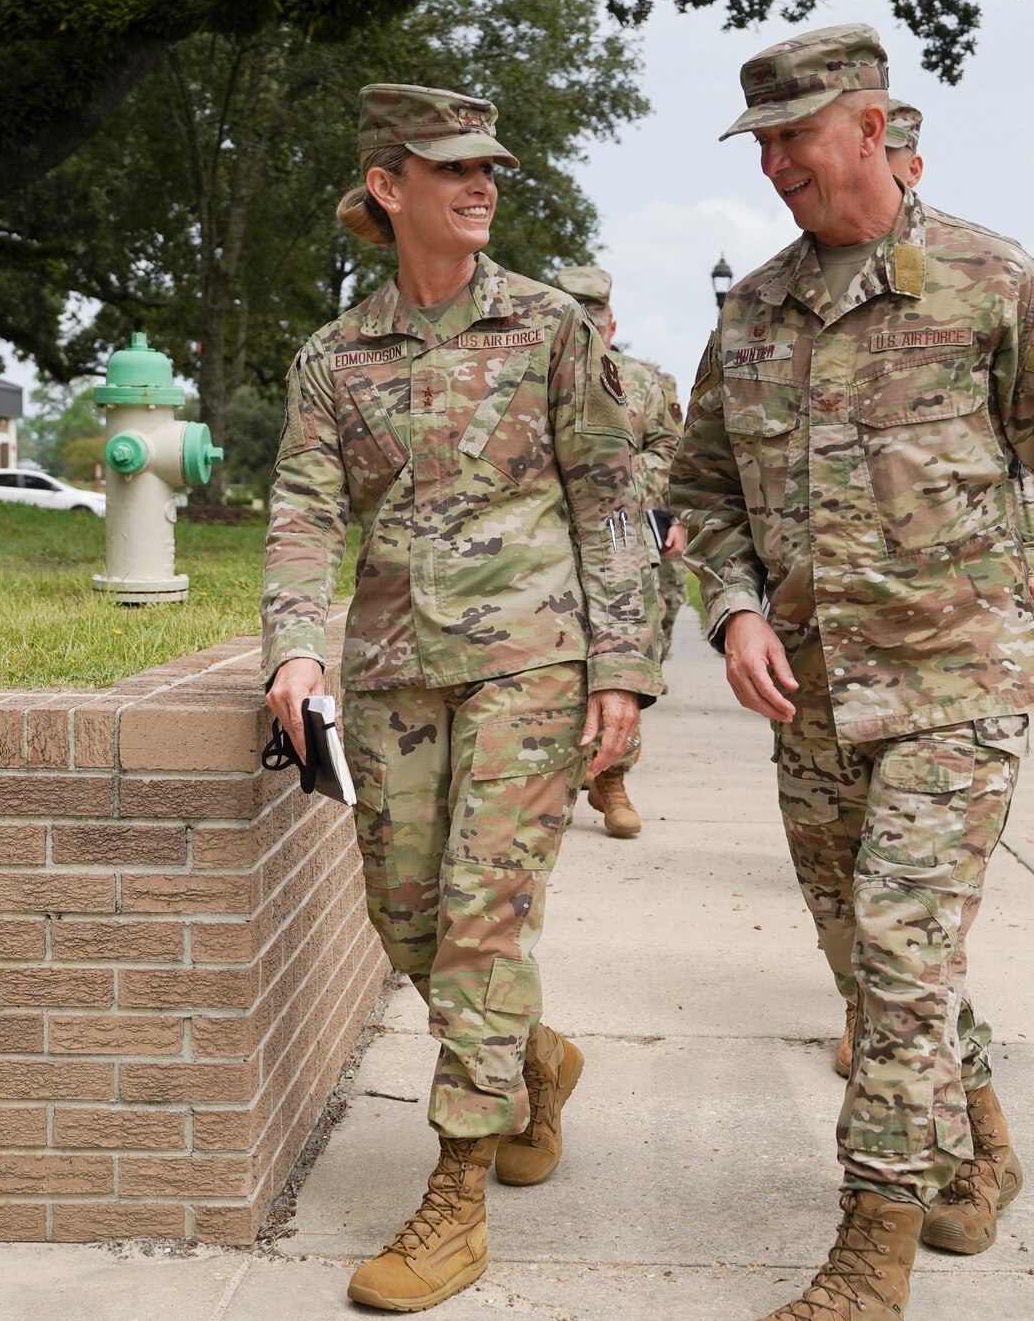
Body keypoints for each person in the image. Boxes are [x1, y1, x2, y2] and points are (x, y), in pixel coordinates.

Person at [670, 25, 1034, 1320]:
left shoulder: (994, 285)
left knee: (895, 950)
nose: (774, 163)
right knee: (875, 966)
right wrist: (731, 615)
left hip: (961, 689)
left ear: (876, 127)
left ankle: (867, 1256)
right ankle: (984, 1149)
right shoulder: (753, 312)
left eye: (795, 136)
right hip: (814, 701)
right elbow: (704, 498)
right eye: (760, 142)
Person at [261, 83, 659, 1313]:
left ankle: (455, 1196)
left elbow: (609, 498)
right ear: (390, 187)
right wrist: (293, 651)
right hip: (390, 665)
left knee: (484, 918)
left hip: (530, 660)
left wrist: (623, 670)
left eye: (490, 167)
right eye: (453, 169)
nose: (482, 185)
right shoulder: (335, 356)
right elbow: (305, 511)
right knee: (406, 916)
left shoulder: (549, 327)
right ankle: (532, 1060)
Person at [827, 98, 1034, 1079]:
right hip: (845, 651)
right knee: (867, 915)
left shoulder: (982, 288)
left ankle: (920, 1122)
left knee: (910, 924)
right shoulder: (811, 305)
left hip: (962, 648)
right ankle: (964, 1116)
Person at [554, 264, 687, 838]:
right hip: (548, 543)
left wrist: (618, 475)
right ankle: (552, 783)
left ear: (612, 325)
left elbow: (674, 452)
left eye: (595, 318)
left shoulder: (647, 383)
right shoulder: (522, 380)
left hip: (624, 543)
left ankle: (611, 779)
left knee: (628, 658)